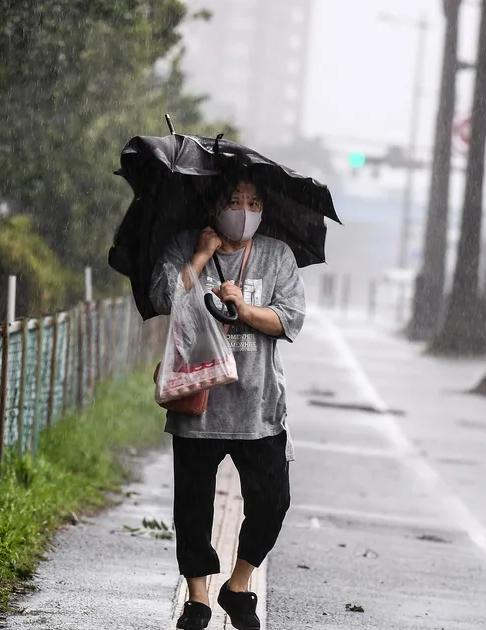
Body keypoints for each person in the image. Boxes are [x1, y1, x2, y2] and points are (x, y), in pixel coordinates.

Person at [150, 172, 304, 630]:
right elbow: (163, 297)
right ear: (214, 205)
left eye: (253, 201)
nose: (244, 209)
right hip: (198, 400)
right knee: (193, 507)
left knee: (273, 502)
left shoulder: (277, 255)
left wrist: (244, 308)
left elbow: (290, 319)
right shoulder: (184, 244)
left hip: (259, 405)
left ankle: (238, 587)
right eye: (234, 199)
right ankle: (198, 599)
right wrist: (200, 257)